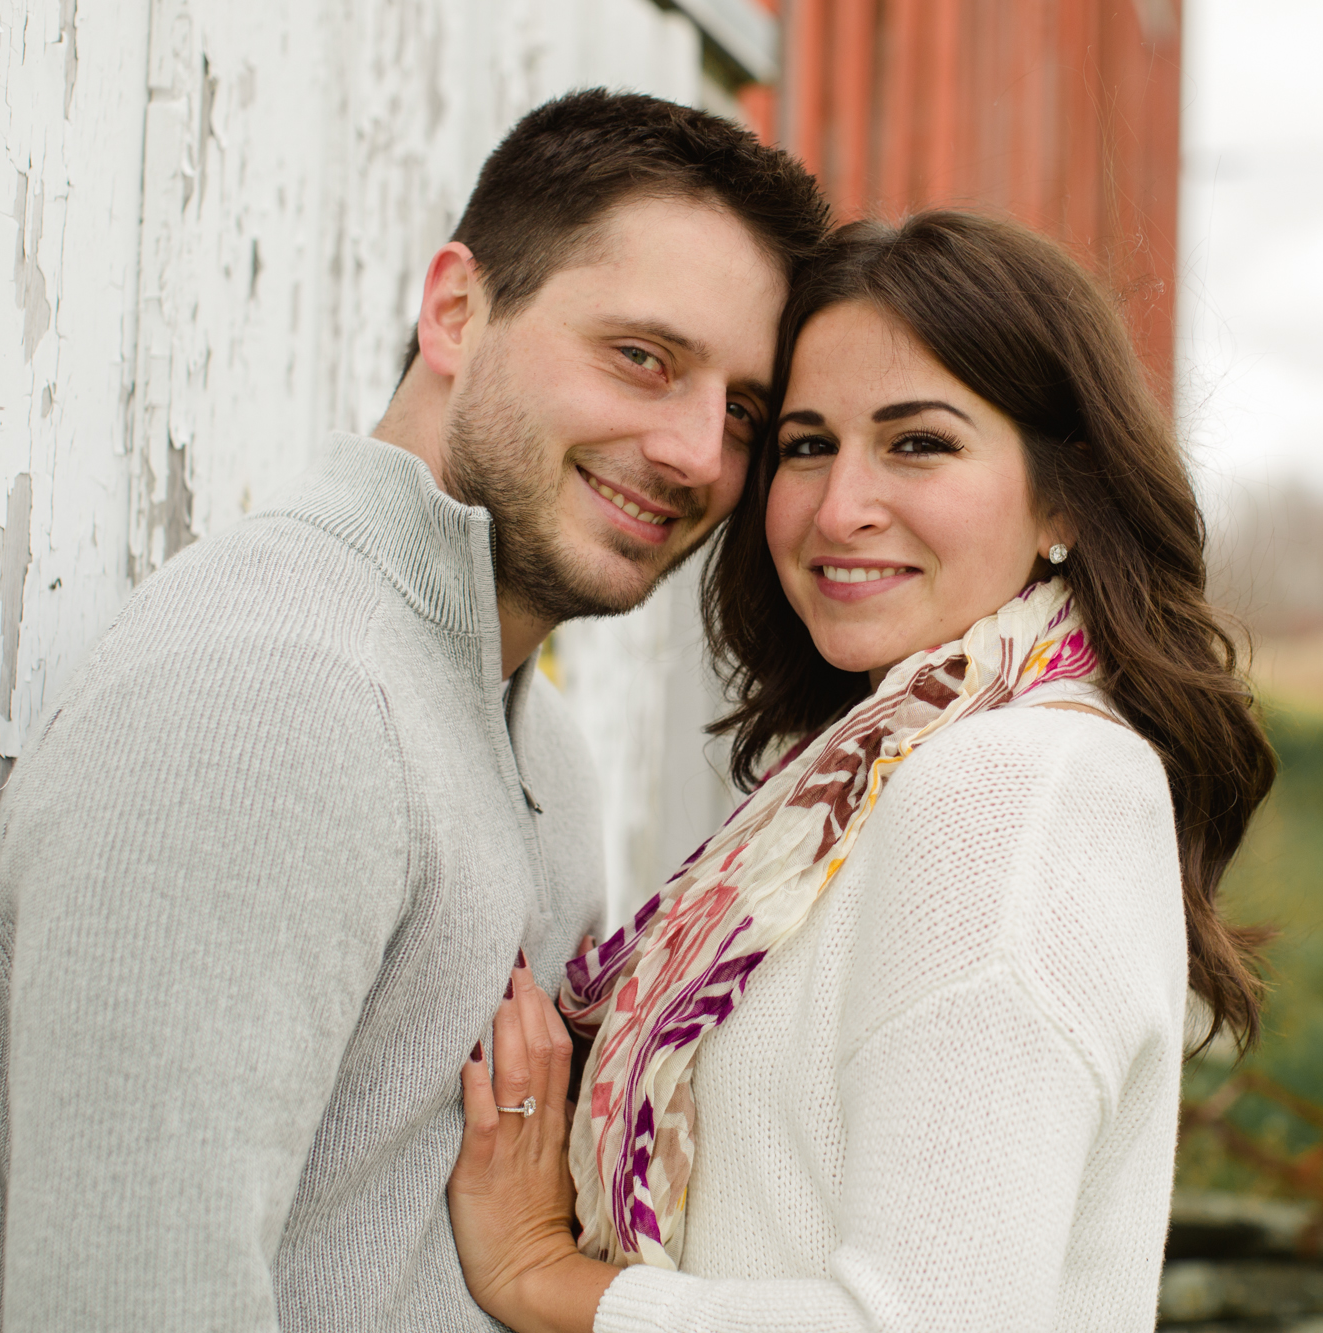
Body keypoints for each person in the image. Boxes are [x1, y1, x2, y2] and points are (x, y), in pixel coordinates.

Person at [0, 90, 829, 1332]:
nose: (698, 453)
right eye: (641, 358)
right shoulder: (269, 700)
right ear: (453, 311)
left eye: (743, 413)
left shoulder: (536, 740)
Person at [444, 211, 1278, 1332]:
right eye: (803, 444)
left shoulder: (1011, 784)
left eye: (917, 442)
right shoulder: (868, 775)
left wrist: (545, 1277)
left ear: (1064, 497)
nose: (840, 509)